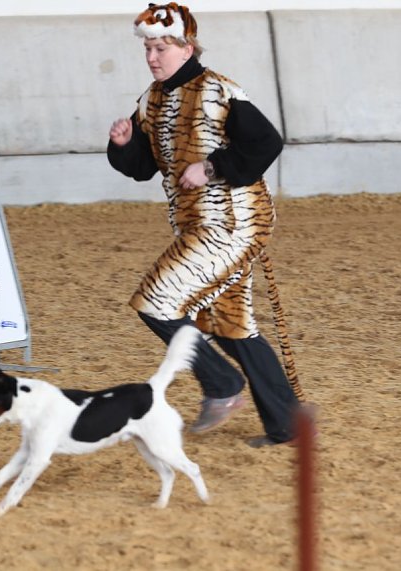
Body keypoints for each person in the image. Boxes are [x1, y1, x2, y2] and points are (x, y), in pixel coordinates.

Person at [107, 3, 304, 446]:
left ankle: (222, 385)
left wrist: (212, 168)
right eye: (148, 48)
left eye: (161, 48)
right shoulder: (151, 100)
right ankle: (288, 424)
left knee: (156, 302)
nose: (152, 57)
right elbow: (143, 167)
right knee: (230, 324)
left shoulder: (219, 90)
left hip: (232, 224)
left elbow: (266, 141)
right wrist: (122, 146)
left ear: (187, 48)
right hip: (198, 226)